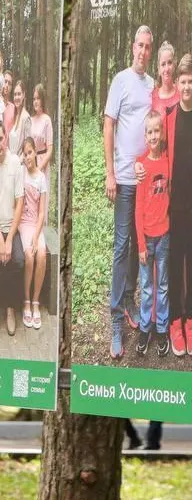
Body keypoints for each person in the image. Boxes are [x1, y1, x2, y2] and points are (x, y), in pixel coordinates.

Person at [103, 26, 154, 358]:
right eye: (139, 44)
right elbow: (109, 124)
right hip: (123, 180)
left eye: (148, 47)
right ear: (131, 46)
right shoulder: (121, 80)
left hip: (146, 182)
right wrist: (109, 172)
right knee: (122, 247)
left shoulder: (151, 86)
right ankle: (115, 323)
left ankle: (129, 303)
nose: (143, 51)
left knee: (139, 245)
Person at [0, 120, 26, 350]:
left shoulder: (16, 165)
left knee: (18, 260)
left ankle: (11, 308)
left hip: (13, 227)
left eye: (1, 139)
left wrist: (9, 240)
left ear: (6, 137)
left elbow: (20, 202)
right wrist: (0, 240)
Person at [135, 110, 171, 356]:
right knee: (147, 286)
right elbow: (137, 208)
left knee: (163, 286)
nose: (154, 135)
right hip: (147, 238)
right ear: (145, 136)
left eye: (157, 130)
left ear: (162, 132)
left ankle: (162, 328)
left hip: (165, 235)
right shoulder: (142, 166)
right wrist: (140, 244)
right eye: (150, 132)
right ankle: (145, 327)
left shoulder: (168, 162)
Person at [164, 53, 192, 359]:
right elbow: (157, 152)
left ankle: (191, 321)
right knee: (175, 262)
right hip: (174, 206)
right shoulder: (170, 116)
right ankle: (175, 321)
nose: (186, 87)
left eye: (190, 82)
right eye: (182, 81)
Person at [19, 138, 49, 331]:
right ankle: (26, 300)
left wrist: (37, 236)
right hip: (23, 223)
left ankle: (36, 300)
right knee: (29, 255)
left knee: (42, 253)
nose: (28, 156)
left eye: (31, 152)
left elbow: (41, 213)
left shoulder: (41, 178)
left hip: (36, 225)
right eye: (25, 153)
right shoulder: (20, 173)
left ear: (36, 154)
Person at [29, 83, 55, 173]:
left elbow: (50, 150)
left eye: (38, 99)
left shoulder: (47, 120)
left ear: (42, 100)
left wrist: (39, 168)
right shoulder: (30, 120)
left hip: (42, 165)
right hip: (31, 162)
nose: (35, 101)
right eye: (34, 99)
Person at [151, 41, 180, 117]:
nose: (166, 69)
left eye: (169, 63)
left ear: (174, 65)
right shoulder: (152, 97)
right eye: (163, 64)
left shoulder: (181, 93)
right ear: (159, 68)